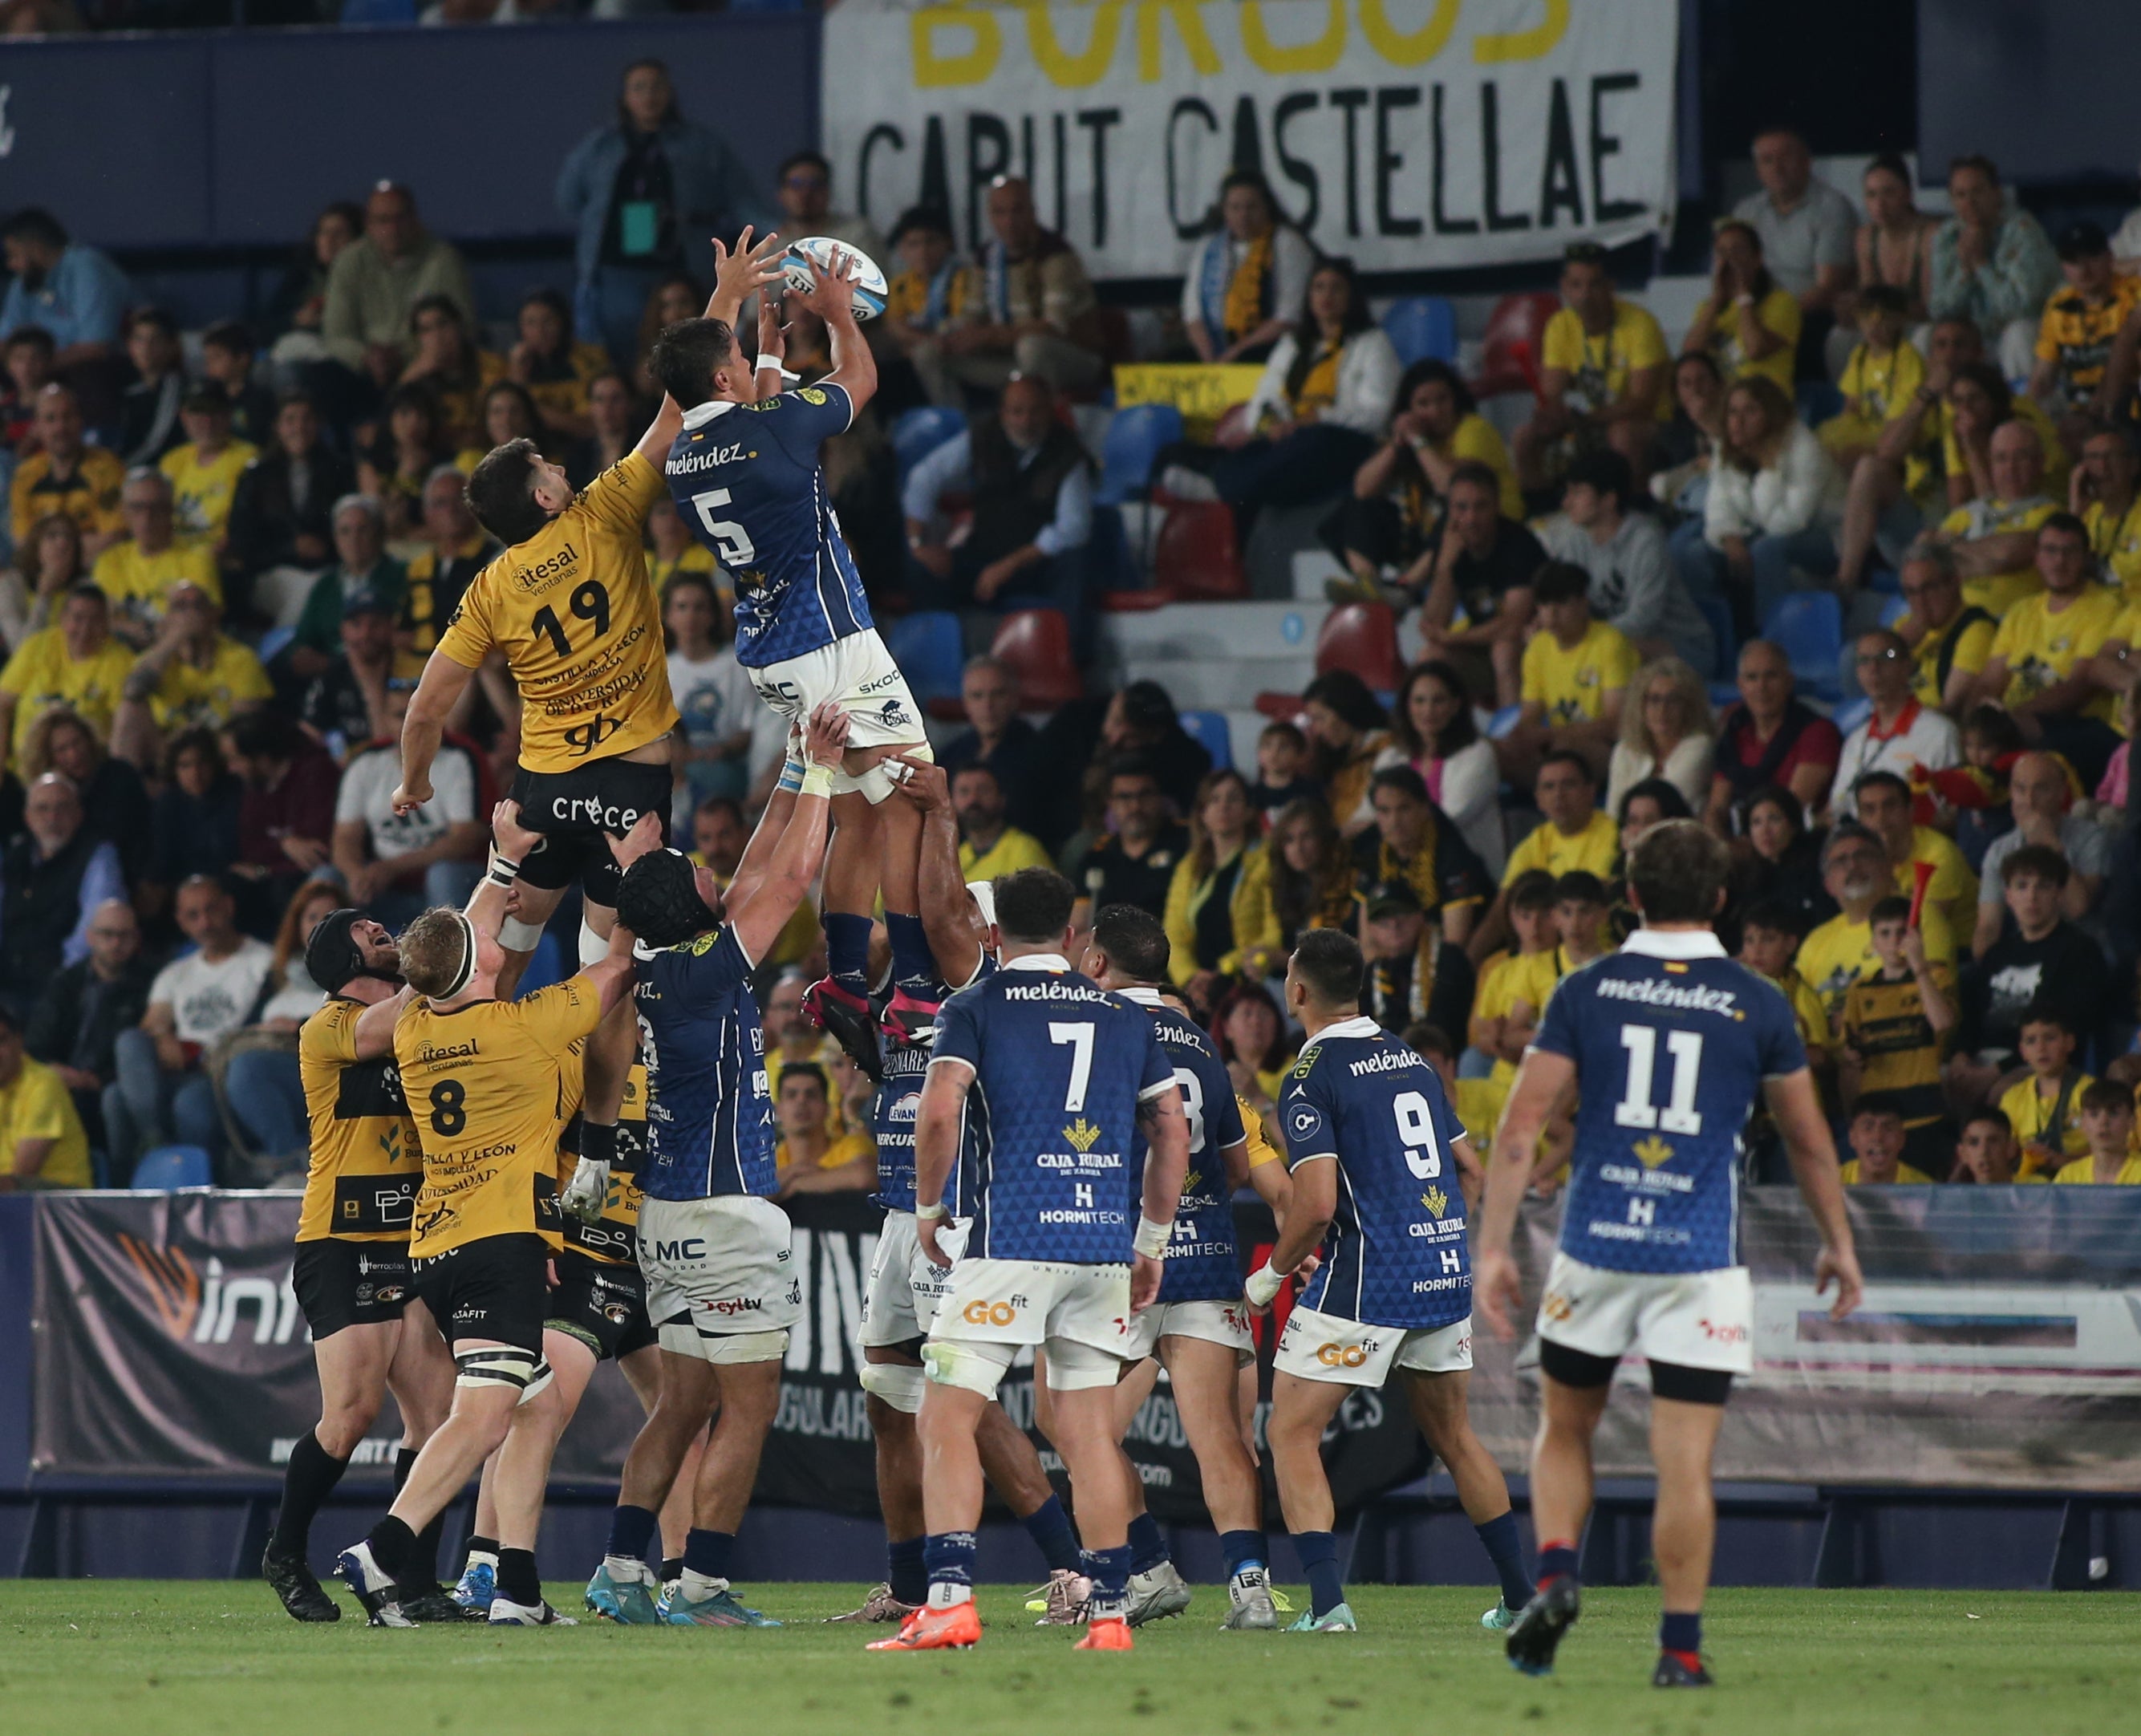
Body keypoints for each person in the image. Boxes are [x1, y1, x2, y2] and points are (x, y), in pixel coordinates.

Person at [1481, 819, 1862, 1684]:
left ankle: (1554, 1572)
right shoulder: (1757, 999)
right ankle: (1678, 1651)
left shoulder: (1587, 988)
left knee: (1563, 1427)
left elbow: (1520, 1125)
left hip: (1595, 1245)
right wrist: (1838, 1242)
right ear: (1720, 900)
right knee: (1683, 1459)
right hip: (1698, 1257)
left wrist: (1493, 1247)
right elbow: (1806, 1140)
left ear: (1632, 894)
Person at [395, 240, 780, 1040]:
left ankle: (480, 1099)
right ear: (541, 496)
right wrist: (726, 297)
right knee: (605, 973)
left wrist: (415, 782)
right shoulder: (602, 512)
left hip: (541, 788)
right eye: (548, 464)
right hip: (629, 790)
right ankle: (596, 1157)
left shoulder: (489, 589)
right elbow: (680, 403)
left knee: (495, 964)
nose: (561, 465)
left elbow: (429, 705)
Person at [335, 799, 639, 1630]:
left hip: (435, 1247)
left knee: (512, 1404)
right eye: (489, 954)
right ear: (478, 970)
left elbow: (448, 950)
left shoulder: (414, 1029)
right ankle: (385, 1549)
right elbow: (616, 972)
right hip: (503, 1240)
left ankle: (515, 1587)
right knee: (484, 1411)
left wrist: (505, 867)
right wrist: (632, 873)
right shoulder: (522, 1029)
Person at [867, 867, 1188, 1653]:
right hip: (1100, 1246)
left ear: (992, 934)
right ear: (1073, 936)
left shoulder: (973, 1005)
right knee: (1088, 1438)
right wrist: (1149, 1241)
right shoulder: (1122, 1016)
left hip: (1009, 1235)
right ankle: (1110, 1614)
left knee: (945, 1413)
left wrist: (929, 1208)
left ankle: (947, 1599)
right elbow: (1170, 1130)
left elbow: (939, 1108)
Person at [578, 707, 851, 1627]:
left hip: (665, 1211)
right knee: (748, 1408)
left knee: (684, 1399)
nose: (714, 870)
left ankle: (620, 1571)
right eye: (700, 871)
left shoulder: (661, 957)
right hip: (727, 1212)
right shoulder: (708, 966)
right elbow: (793, 875)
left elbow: (753, 870)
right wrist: (816, 771)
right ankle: (700, 1585)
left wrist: (785, 769)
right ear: (692, 905)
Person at [649, 237, 943, 1054]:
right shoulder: (773, 430)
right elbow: (861, 383)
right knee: (913, 804)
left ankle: (848, 980)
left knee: (853, 815)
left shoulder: (682, 456)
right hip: (832, 644)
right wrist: (840, 315)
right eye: (739, 357)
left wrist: (770, 350)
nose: (748, 364)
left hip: (769, 652)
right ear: (720, 378)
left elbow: (757, 423)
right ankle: (915, 989)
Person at [829, 756, 1102, 1627]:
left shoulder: (975, 985)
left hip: (952, 1212)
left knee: (968, 1403)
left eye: (971, 917)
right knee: (886, 1396)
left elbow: (933, 906)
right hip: (897, 1211)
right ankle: (909, 1584)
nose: (951, 922)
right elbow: (872, 911)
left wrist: (934, 814)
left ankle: (1070, 1570)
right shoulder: (899, 984)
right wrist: (862, 800)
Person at [1254, 926, 1531, 1633]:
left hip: (1368, 1279)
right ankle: (1522, 1598)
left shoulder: (1309, 1076)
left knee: (1290, 1431)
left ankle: (1327, 1607)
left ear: (1296, 991)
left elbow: (1315, 1205)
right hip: (1441, 1272)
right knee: (1456, 1436)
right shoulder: (1410, 1060)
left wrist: (1270, 1275)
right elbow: (1470, 1166)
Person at [1076, 902, 1289, 1628]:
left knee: (1080, 1430)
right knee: (1218, 1440)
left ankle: (1149, 1568)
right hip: (1203, 1258)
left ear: (1100, 962)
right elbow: (1234, 1161)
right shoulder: (1200, 1043)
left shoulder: (1099, 1029)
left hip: (1122, 1262)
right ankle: (1250, 1589)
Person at [262, 911, 456, 1623]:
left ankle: (412, 1583)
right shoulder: (330, 1026)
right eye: (371, 930)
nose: (387, 932)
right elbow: (392, 1019)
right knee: (349, 1418)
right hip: (341, 1241)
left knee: (436, 1417)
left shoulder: (421, 1016)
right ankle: (284, 1552)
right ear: (343, 956)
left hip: (411, 1238)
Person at [556, 59, 775, 366]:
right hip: (617, 272)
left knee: (691, 351)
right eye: (639, 88)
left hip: (682, 267)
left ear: (671, 93)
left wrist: (783, 232)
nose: (649, 96)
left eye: (657, 86)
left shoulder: (702, 145)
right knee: (619, 354)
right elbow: (568, 198)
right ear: (625, 98)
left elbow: (742, 200)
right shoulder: (600, 147)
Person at [1165, 257, 1401, 521]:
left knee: (1312, 440)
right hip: (1291, 438)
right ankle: (1225, 487)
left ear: (1352, 297)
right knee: (1177, 452)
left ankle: (1222, 491)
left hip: (1342, 443)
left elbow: (1376, 414)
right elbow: (1266, 395)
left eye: (1337, 288)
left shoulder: (1373, 343)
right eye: (1319, 287)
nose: (1327, 296)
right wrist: (1272, 422)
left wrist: (1320, 417)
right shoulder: (1293, 343)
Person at [106, 875, 274, 1178]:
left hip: (221, 1070)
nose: (205, 922)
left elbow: (265, 1026)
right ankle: (148, 1149)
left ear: (229, 907)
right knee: (121, 1072)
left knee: (186, 1102)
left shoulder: (262, 961)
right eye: (193, 916)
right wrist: (161, 1036)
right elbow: (151, 1026)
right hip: (177, 1067)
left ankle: (187, 1177)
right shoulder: (176, 973)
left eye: (212, 910)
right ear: (181, 922)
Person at [902, 373, 1093, 629]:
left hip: (1037, 565)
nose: (1026, 422)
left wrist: (1008, 566)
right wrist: (917, 544)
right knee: (923, 567)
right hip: (984, 554)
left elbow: (1074, 528)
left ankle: (1070, 661)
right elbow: (924, 478)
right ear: (1003, 413)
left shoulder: (1068, 454)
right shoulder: (983, 437)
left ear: (1049, 411)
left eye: (1035, 412)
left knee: (1075, 563)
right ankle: (940, 652)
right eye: (1017, 412)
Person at [1332, 359, 1521, 596]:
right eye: (1423, 404)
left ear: (1456, 399)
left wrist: (1419, 442)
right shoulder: (1413, 438)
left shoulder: (1473, 430)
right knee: (1356, 508)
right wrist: (1397, 443)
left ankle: (1406, 589)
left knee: (1456, 511)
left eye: (1442, 400)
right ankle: (1371, 587)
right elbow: (1362, 489)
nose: (1435, 411)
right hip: (1429, 533)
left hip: (1489, 530)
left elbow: (1452, 489)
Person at [916, 176, 1105, 400]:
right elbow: (971, 317)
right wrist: (946, 335)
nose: (1009, 222)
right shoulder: (988, 256)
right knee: (927, 352)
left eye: (1017, 211)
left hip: (1070, 359)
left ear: (1032, 212)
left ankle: (1041, 423)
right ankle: (959, 430)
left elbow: (1055, 327)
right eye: (1000, 213)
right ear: (990, 216)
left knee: (1032, 347)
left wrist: (991, 335)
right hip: (1010, 360)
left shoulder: (1055, 255)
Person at [1952, 849, 2110, 1109]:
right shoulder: (1996, 954)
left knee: (2004, 1095)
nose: (2032, 897)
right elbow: (1970, 1016)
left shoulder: (2080, 951)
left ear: (2059, 895)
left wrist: (1997, 1071)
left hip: (2040, 1061)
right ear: (2009, 896)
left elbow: (2071, 1027)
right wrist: (1960, 1056)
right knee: (1944, 1083)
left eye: (2043, 887)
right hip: (1986, 1057)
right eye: (2022, 886)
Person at [1973, 513, 2123, 785]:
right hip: (2014, 726)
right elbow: (1990, 679)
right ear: (2037, 556)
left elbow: (2080, 686)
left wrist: (2015, 719)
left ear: (2086, 557)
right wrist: (1986, 716)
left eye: (2070, 551)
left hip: (2076, 727)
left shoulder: (2105, 606)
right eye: (2050, 550)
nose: (2059, 561)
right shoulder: (2022, 610)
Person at [1690, 375, 1844, 638]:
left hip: (1825, 536)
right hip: (1759, 530)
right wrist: (1729, 538)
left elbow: (1791, 521)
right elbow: (1719, 502)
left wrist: (1769, 469)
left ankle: (1773, 640)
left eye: (1750, 411)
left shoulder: (1804, 448)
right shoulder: (1727, 448)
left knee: (1766, 550)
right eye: (1732, 412)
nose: (1738, 422)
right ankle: (1714, 637)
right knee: (1689, 549)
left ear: (1771, 414)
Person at [1539, 448, 1713, 675]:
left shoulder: (1646, 539)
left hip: (1683, 647)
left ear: (1609, 499)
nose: (1566, 503)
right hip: (1606, 641)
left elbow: (1644, 619)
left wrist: (1583, 635)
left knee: (1616, 651)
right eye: (1568, 492)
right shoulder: (1576, 541)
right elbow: (1565, 599)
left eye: (1578, 493)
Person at [1516, 242, 1671, 493]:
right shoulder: (1559, 325)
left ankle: (1632, 507)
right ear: (1564, 288)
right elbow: (1551, 392)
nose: (1585, 295)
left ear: (1611, 286)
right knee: (1525, 437)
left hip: (1650, 423)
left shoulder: (1640, 324)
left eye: (1595, 284)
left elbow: (1642, 402)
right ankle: (1539, 509)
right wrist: (1552, 413)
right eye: (1576, 285)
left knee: (1622, 434)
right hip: (1593, 421)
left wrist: (1585, 420)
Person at [1409, 462, 1547, 709]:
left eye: (1480, 506)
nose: (1470, 518)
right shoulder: (1452, 545)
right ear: (1449, 510)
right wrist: (1444, 567)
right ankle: (1443, 744)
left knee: (1503, 649)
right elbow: (1433, 626)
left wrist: (1455, 638)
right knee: (1430, 657)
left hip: (1532, 649)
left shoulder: (1519, 544)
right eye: (1461, 508)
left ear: (1496, 507)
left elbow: (1513, 624)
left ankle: (1510, 739)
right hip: (1482, 649)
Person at [322, 183, 477, 402]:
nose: (393, 228)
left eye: (400, 218)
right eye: (383, 220)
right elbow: (336, 335)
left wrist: (406, 354)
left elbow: (464, 327)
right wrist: (367, 357)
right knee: (323, 377)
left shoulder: (442, 259)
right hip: (366, 370)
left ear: (415, 218)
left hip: (426, 365)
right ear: (369, 224)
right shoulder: (349, 261)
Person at [1795, 823, 1960, 1028]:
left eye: (1863, 855)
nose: (1853, 866)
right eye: (1840, 861)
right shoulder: (1814, 942)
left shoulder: (1918, 916)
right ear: (1827, 884)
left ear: (1889, 868)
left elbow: (1938, 994)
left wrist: (1854, 1016)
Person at [1837, 894, 1957, 1173]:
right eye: (1885, 933)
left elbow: (1942, 1022)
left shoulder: (1935, 976)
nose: (1893, 941)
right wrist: (1851, 1053)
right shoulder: (1860, 989)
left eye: (1902, 932)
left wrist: (1919, 967)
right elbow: (1849, 1053)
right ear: (1874, 942)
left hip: (1924, 1112)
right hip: (1878, 1116)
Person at [25, 898, 151, 1150]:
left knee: (110, 1101)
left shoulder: (149, 985)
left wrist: (96, 1081)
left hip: (110, 1087)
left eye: (124, 936)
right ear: (90, 937)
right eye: (107, 934)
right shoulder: (66, 983)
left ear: (136, 939)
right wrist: (58, 1072)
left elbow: (142, 1056)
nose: (116, 943)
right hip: (61, 1081)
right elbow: (36, 1043)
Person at [1732, 128, 1858, 376]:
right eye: (1767, 160)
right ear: (1758, 169)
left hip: (1810, 316)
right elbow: (1731, 272)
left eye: (1785, 158)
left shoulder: (1832, 207)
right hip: (1756, 312)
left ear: (1807, 162)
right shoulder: (1746, 211)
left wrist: (1777, 318)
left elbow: (1828, 288)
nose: (1777, 167)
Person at [0, 770, 126, 1019]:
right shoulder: (14, 857)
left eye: (62, 808)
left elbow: (93, 929)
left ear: (78, 815)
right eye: (42, 809)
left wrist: (62, 986)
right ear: (27, 817)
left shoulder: (98, 855)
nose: (52, 818)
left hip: (63, 988)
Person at [112, 581, 273, 771]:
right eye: (180, 607)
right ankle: (128, 785)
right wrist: (172, 640)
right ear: (166, 620)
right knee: (129, 708)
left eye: (198, 606)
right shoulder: (154, 659)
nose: (190, 614)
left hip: (216, 757)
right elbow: (132, 691)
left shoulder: (241, 658)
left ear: (213, 616)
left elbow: (246, 727)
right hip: (167, 755)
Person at [1928, 156, 2059, 383]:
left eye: (1977, 191)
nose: (1970, 202)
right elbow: (1940, 311)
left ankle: (2028, 411)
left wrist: (1981, 265)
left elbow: (2020, 308)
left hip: (2025, 335)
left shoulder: (2022, 230)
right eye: (1960, 195)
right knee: (1925, 336)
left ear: (1996, 193)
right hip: (1974, 340)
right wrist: (1966, 273)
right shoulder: (1947, 237)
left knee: (2018, 333)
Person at [1506, 562, 1639, 781]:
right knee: (1494, 750)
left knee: (1564, 750)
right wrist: (1521, 736)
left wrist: (1548, 734)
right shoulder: (1537, 647)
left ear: (1583, 603)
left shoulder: (1610, 642)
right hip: (1558, 744)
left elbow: (1616, 724)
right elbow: (1530, 714)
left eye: (1561, 603)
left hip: (1611, 750)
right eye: (1544, 604)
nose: (1552, 613)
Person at [1972, 751, 2108, 957]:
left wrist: (2051, 843)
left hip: (2083, 952)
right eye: (2020, 789)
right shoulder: (1999, 849)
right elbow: (1989, 926)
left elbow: (2077, 909)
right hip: (2027, 953)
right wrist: (1987, 971)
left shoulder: (2092, 836)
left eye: (2041, 789)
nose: (2029, 800)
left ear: (2062, 792)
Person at [1376, 660, 1504, 877]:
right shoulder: (1391, 757)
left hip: (1465, 877)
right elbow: (1369, 814)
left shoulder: (1478, 754)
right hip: (1405, 875)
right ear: (1407, 706)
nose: (1428, 710)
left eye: (1438, 701)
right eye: (1419, 701)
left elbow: (1451, 817)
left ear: (1456, 705)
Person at [225, 394, 356, 602]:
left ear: (319, 424)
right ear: (277, 427)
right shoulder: (256, 476)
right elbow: (242, 540)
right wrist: (290, 549)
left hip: (330, 570)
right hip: (272, 574)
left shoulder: (340, 471)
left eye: (307, 419)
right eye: (290, 420)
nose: (299, 427)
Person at [1928, 412, 2062, 615]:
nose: (2011, 467)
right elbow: (1926, 558)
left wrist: (1950, 554)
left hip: (2010, 626)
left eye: (2021, 457)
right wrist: (1986, 555)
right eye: (2001, 458)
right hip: (1952, 620)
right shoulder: (1967, 512)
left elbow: (2006, 556)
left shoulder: (2052, 515)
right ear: (1990, 463)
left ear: (2040, 462)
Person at [1161, 769, 1278, 998]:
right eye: (1214, 800)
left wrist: (1225, 970)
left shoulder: (1267, 860)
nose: (1223, 806)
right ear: (1202, 813)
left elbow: (1273, 933)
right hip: (1199, 991)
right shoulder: (1188, 868)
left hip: (1250, 982)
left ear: (1248, 811)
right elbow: (1173, 934)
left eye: (1233, 798)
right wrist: (1191, 978)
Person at [1704, 640, 1842, 831]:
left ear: (1789, 681)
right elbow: (1717, 808)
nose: (1761, 687)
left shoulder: (1817, 732)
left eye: (1771, 676)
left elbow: (1788, 811)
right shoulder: (1734, 731)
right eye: (1752, 678)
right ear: (1740, 686)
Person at [1352, 764, 1493, 951]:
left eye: (1404, 809)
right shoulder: (1373, 851)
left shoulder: (1452, 855)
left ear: (1425, 808)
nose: (1394, 821)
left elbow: (1455, 945)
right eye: (1384, 811)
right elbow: (1368, 942)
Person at [1181, 170, 1314, 366]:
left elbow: (1288, 317)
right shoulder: (1209, 247)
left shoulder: (1287, 243)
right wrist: (1209, 358)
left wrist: (1235, 353)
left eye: (1251, 207)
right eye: (1235, 208)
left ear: (1267, 207)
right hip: (1216, 351)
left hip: (1269, 347)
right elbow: (1193, 313)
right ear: (1223, 210)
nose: (1243, 215)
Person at [2029, 223, 2141, 450]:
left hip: (2126, 408)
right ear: (2063, 266)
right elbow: (2043, 377)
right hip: (2074, 414)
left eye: (2091, 257)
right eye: (2073, 260)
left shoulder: (2134, 293)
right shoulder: (2059, 305)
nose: (2083, 269)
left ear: (2110, 257)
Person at [0, 582, 134, 769]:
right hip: (26, 772)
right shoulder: (38, 646)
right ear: (63, 618)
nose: (85, 630)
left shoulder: (120, 660)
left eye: (95, 620)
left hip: (86, 772)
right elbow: (3, 705)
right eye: (78, 619)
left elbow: (123, 726)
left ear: (106, 624)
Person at [1830, 630, 1961, 816]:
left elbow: (1953, 813)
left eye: (1887, 656)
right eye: (1864, 660)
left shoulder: (1940, 733)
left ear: (1906, 666)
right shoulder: (1855, 740)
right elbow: (1837, 805)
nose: (1874, 667)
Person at [0, 208, 130, 375]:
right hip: (40, 373)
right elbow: (5, 338)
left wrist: (32, 370)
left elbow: (96, 348)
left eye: (14, 255)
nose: (11, 265)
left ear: (36, 247)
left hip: (94, 371)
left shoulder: (86, 267)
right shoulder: (25, 281)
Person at [1680, 221, 1801, 395]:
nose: (1729, 259)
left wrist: (1743, 296)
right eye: (1722, 252)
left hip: (1767, 402)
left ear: (1757, 258)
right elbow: (1690, 354)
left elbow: (1755, 350)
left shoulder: (1782, 302)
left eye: (1737, 250)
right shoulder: (1708, 308)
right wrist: (1716, 301)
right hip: (1724, 405)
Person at [1852, 769, 1978, 936]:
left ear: (1910, 810)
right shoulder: (1860, 857)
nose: (1880, 818)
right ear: (1860, 820)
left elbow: (1923, 927)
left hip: (1959, 951)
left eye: (1889, 806)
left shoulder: (1940, 854)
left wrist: (1884, 871)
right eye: (1869, 810)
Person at [290, 495, 405, 675]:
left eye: (363, 530)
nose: (354, 539)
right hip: (331, 676)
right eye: (345, 531)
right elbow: (302, 641)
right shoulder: (326, 585)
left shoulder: (404, 575)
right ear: (335, 538)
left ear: (379, 534)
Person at [8, 384, 124, 558]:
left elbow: (114, 537)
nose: (60, 427)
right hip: (42, 570)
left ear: (80, 421)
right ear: (37, 427)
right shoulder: (25, 474)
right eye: (50, 419)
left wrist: (57, 553)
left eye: (68, 417)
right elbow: (22, 542)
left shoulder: (106, 468)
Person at [937, 655, 1045, 841]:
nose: (988, 706)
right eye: (977, 696)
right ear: (966, 703)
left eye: (998, 694)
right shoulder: (950, 756)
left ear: (1014, 698)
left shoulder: (1040, 755)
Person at [399, 465, 498, 655]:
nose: (450, 510)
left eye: (458, 500)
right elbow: (405, 630)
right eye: (440, 503)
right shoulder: (419, 568)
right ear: (426, 513)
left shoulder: (496, 559)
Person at [1359, 883, 1477, 1039]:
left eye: (1401, 913)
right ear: (1371, 929)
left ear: (1420, 917)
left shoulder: (1448, 959)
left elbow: (1446, 1024)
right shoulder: (1370, 973)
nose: (1394, 925)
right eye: (1383, 920)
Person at [1892, 541, 1996, 713]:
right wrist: (1899, 647)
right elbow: (1880, 677)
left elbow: (1953, 705)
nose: (1920, 601)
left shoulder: (1976, 630)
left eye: (1928, 588)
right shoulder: (1905, 628)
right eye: (1911, 592)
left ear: (1954, 582)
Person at [1606, 657, 1714, 817]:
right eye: (1654, 700)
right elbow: (1614, 813)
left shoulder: (1700, 747)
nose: (1662, 710)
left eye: (1673, 700)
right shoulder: (1625, 750)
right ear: (1641, 705)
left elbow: (1666, 808)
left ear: (1688, 706)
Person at [1997, 1007, 2093, 1178]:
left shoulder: (2090, 1091)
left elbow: (2111, 1147)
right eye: (2031, 1041)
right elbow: (2007, 1151)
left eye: (2050, 1038)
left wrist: (2064, 1161)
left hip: (2081, 1181)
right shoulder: (2013, 1097)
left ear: (2069, 1043)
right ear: (2023, 1051)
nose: (2041, 1048)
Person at [161, 389, 257, 550]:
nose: (207, 422)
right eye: (198, 413)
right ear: (184, 417)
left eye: (215, 413)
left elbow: (249, 520)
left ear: (228, 416)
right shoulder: (172, 461)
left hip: (222, 556)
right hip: (175, 557)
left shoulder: (248, 458)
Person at [1852, 153, 1936, 323]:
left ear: (1907, 194)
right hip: (1883, 322)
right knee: (1841, 335)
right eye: (1871, 195)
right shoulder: (1866, 237)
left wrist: (1883, 309)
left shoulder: (1929, 235)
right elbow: (1869, 297)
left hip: (1924, 324)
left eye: (1888, 193)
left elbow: (1931, 307)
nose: (1880, 204)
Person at [769, 1063, 874, 1197]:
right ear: (778, 1110)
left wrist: (796, 1185)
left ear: (827, 1108)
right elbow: (750, 1198)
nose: (801, 1101)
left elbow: (864, 1176)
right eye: (791, 1095)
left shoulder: (852, 1145)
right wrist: (795, 1171)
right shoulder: (771, 1160)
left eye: (811, 1095)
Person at [2074, 424, 2141, 601]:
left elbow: (2126, 572)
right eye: (2093, 458)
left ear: (2133, 465)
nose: (2102, 466)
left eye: (2111, 457)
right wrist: (2075, 512)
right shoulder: (2086, 515)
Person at [951, 762, 1050, 882]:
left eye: (983, 790)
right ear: (951, 801)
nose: (973, 799)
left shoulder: (1023, 850)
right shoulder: (956, 857)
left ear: (1002, 798)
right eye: (964, 792)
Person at [2054, 1080, 2141, 1185]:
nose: (2103, 1122)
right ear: (2083, 1123)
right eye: (2094, 1114)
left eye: (2113, 1113)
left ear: (2132, 1121)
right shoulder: (2068, 1176)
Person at [1837, 1102, 1934, 1185]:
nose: (1878, 1137)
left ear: (1902, 1139)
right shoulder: (1834, 1182)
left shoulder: (1923, 1189)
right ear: (1852, 1138)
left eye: (1888, 1128)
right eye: (1868, 1128)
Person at [1952, 1107, 2033, 1186]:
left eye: (1993, 1141)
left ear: (2010, 1148)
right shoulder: (1953, 1197)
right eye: (1974, 1143)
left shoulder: (2037, 1189)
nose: (1983, 1151)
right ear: (1962, 1153)